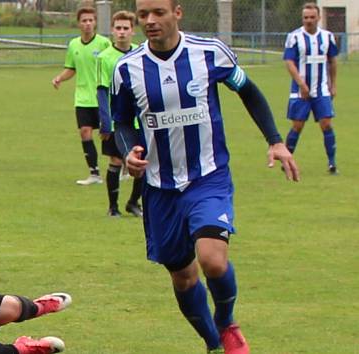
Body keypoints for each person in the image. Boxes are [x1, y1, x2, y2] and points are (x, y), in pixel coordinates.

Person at [111, 0, 300, 353]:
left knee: (213, 259)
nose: (150, 21)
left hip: (207, 176)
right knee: (183, 277)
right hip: (159, 187)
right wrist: (129, 150)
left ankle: (226, 321)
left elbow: (248, 90)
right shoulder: (126, 69)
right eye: (143, 15)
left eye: (159, 13)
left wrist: (275, 140)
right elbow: (120, 121)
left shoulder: (210, 54)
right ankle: (213, 343)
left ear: (177, 13)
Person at [52, 7, 111, 185]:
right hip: (83, 97)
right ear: (79, 23)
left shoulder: (104, 43)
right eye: (84, 21)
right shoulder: (74, 45)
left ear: (95, 23)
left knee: (107, 134)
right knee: (85, 132)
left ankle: (120, 163)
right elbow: (71, 68)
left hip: (103, 97)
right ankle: (94, 173)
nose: (87, 24)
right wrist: (60, 78)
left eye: (91, 20)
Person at [96, 10, 143, 217]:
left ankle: (133, 202)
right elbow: (101, 90)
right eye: (118, 28)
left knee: (143, 162)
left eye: (126, 28)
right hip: (116, 121)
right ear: (112, 31)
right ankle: (112, 207)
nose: (122, 32)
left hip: (139, 120)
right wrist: (105, 122)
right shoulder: (105, 58)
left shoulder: (140, 53)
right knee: (115, 161)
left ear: (133, 31)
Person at [283, 2, 339, 174]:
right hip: (301, 91)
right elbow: (289, 62)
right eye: (305, 17)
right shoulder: (294, 37)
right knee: (297, 125)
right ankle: (286, 161)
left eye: (312, 17)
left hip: (321, 89)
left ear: (318, 18)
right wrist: (301, 83)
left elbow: (332, 61)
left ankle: (332, 163)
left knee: (326, 124)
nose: (308, 20)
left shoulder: (327, 37)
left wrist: (333, 84)